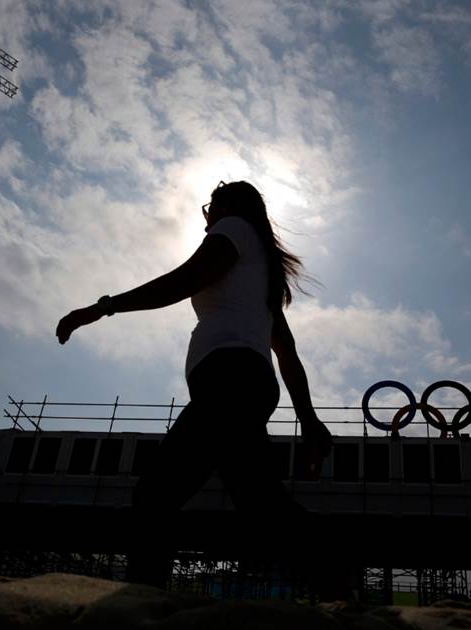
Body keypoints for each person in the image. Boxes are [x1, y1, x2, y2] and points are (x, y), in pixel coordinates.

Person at [55, 180, 335, 593]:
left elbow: (181, 281)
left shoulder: (235, 229)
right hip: (248, 384)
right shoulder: (261, 270)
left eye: (210, 208)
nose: (206, 219)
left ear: (225, 207)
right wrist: (309, 421)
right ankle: (334, 581)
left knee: (156, 496)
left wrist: (103, 307)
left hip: (229, 382)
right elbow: (286, 353)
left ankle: (140, 601)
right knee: (261, 505)